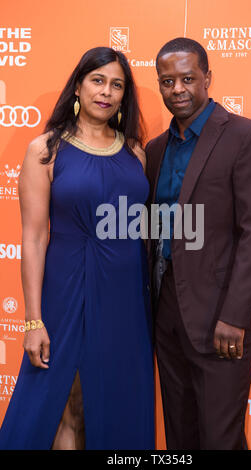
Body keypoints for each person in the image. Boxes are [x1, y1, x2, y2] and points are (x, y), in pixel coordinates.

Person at [0, 47, 154, 450]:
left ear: (124, 96)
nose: (106, 92)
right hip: (67, 289)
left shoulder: (135, 153)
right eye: (98, 80)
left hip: (125, 296)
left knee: (112, 401)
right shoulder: (45, 150)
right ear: (79, 86)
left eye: (116, 85)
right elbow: (33, 238)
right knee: (68, 401)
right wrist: (33, 321)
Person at [145, 37, 251, 450]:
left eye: (188, 78)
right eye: (167, 81)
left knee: (219, 438)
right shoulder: (156, 149)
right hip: (168, 313)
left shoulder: (247, 136)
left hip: (224, 316)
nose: (178, 89)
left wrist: (236, 317)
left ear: (207, 78)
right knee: (180, 435)